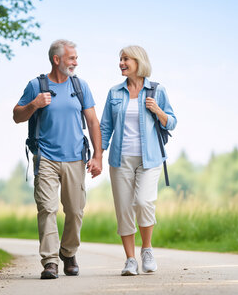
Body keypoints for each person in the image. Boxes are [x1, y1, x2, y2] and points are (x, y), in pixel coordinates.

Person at [12, 39, 102, 279]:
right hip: (46, 158)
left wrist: (98, 156)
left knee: (75, 211)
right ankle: (50, 262)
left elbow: (93, 122)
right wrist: (34, 104)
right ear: (57, 59)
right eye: (72, 58)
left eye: (75, 58)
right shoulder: (36, 85)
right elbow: (17, 116)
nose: (76, 62)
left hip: (75, 157)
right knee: (47, 208)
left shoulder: (80, 86)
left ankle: (68, 252)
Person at [98, 45, 177, 276]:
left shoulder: (157, 90)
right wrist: (98, 156)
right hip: (120, 159)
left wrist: (158, 111)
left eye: (125, 59)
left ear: (138, 61)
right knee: (123, 209)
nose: (121, 63)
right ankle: (130, 260)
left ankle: (147, 250)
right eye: (120, 59)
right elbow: (105, 126)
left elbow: (171, 122)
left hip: (149, 159)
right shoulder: (114, 93)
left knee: (144, 202)